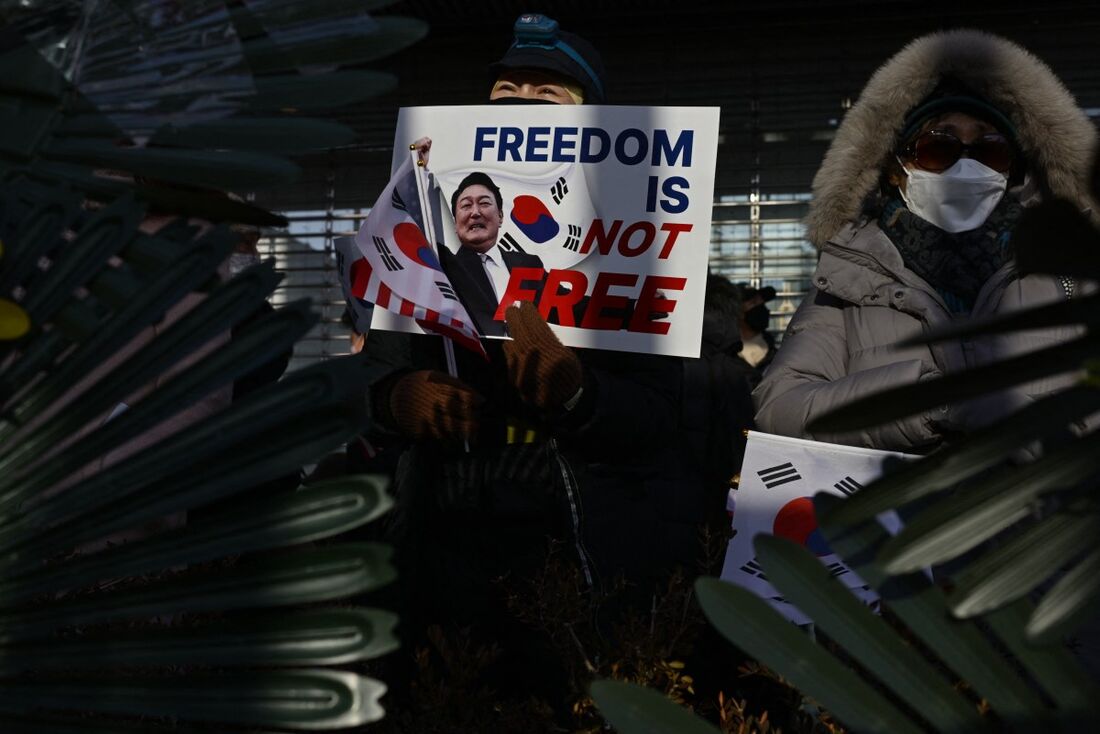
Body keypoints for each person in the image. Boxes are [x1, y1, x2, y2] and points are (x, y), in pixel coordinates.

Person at [753, 29, 1099, 452]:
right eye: (939, 147)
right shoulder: (850, 278)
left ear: (1013, 169)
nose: (966, 165)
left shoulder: (1070, 268)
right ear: (898, 166)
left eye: (990, 150)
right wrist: (932, 403)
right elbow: (781, 406)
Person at [439, 171, 545, 336]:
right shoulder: (444, 270)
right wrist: (419, 165)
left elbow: (574, 308)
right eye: (466, 205)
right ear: (455, 224)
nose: (475, 212)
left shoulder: (529, 264)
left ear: (500, 217)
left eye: (484, 203)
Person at [734, 283, 778, 387]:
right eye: (753, 303)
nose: (761, 308)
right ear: (738, 312)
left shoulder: (778, 357)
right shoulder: (724, 358)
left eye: (762, 303)